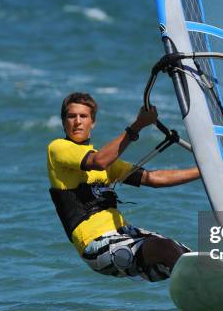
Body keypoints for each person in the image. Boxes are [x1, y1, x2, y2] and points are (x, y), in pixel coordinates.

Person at [47, 92, 200, 282]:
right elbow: (99, 161)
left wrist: (203, 171)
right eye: (71, 116)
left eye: (83, 116)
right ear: (64, 122)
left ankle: (222, 285)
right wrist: (138, 125)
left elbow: (153, 178)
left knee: (189, 256)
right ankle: (207, 292)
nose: (77, 121)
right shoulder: (58, 148)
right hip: (96, 244)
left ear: (92, 123)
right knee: (165, 248)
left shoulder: (106, 160)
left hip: (124, 234)